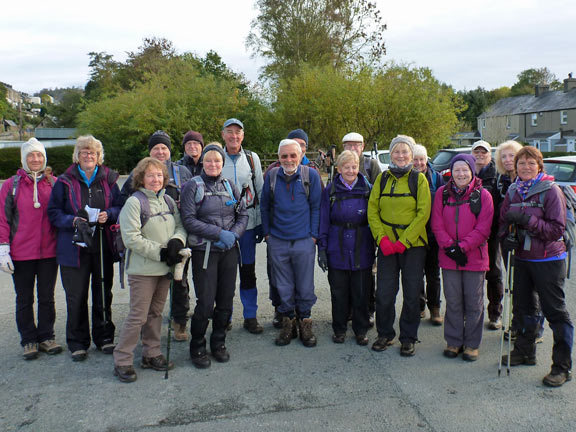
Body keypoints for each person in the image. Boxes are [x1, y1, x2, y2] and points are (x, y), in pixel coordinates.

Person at [499, 146, 573, 387]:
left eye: (531, 163)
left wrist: (527, 220)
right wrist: (506, 237)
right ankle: (525, 351)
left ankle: (562, 367)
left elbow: (556, 230)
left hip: (548, 260)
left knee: (555, 313)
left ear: (540, 166)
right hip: (522, 258)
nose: (526, 167)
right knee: (523, 309)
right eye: (522, 163)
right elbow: (503, 220)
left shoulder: (551, 191)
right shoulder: (513, 191)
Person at [113, 157, 188, 382]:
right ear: (141, 179)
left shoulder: (168, 201)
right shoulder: (134, 203)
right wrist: (161, 252)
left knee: (156, 313)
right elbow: (131, 239)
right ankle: (123, 359)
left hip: (164, 267)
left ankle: (151, 352)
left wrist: (177, 242)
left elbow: (180, 226)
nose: (155, 179)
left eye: (158, 175)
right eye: (150, 175)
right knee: (138, 315)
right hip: (143, 270)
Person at [48, 135, 122, 361]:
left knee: (102, 292)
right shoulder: (64, 181)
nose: (88, 156)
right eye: (84, 152)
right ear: (77, 156)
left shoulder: (109, 179)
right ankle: (78, 341)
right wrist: (72, 220)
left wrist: (108, 214)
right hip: (74, 246)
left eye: (92, 152)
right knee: (76, 295)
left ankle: (104, 336)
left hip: (102, 245)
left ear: (99, 156)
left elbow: (121, 206)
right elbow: (53, 212)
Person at [180, 143, 248, 368]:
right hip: (205, 252)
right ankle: (197, 346)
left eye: (217, 161)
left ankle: (218, 342)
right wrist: (218, 233)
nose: (213, 164)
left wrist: (233, 235)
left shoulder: (229, 185)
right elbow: (188, 220)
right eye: (208, 160)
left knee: (226, 302)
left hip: (228, 250)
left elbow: (243, 214)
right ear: (203, 163)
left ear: (222, 163)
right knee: (206, 303)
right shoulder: (193, 186)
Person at [121, 131, 193, 342]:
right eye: (156, 148)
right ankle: (127, 354)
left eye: (164, 148)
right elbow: (125, 212)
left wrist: (178, 240)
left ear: (170, 151)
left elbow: (186, 212)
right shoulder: (137, 184)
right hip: (148, 254)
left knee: (179, 285)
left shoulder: (183, 173)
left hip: (175, 244)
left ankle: (178, 323)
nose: (160, 151)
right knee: (143, 309)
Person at [367, 135, 431, 356]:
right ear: (390, 154)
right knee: (384, 293)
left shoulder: (419, 180)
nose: (401, 155)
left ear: (412, 155)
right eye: (396, 151)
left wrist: (404, 242)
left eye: (405, 152)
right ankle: (384, 334)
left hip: (412, 247)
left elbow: (423, 213)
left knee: (412, 294)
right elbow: (372, 211)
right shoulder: (382, 179)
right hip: (386, 246)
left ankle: (408, 337)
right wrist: (382, 239)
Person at [0, 138, 61, 360]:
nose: (35, 159)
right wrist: (3, 247)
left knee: (47, 297)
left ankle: (46, 336)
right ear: (24, 159)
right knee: (24, 298)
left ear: (44, 158)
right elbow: (3, 218)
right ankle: (28, 340)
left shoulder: (54, 183)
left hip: (49, 252)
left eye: (39, 156)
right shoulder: (11, 185)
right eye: (31, 156)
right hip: (21, 253)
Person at [432, 154, 494, 361]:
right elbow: (437, 224)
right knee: (453, 301)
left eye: (465, 169)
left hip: (474, 258)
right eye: (456, 170)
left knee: (474, 302)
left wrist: (463, 247)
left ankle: (471, 344)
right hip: (449, 257)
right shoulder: (442, 193)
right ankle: (453, 341)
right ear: (451, 172)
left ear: (472, 171)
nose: (461, 174)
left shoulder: (483, 195)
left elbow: (484, 228)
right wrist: (450, 247)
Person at [261, 139, 322, 347]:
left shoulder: (310, 175)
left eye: (292, 155)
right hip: (278, 240)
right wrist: (268, 235)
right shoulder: (271, 177)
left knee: (305, 286)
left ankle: (305, 323)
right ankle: (289, 323)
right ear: (279, 158)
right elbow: (264, 207)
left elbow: (316, 207)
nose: (288, 160)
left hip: (304, 240)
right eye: (284, 156)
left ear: (300, 155)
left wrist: (313, 236)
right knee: (283, 285)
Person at [318, 150, 375, 345]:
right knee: (339, 292)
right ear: (339, 169)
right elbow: (323, 221)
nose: (351, 171)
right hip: (337, 247)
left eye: (354, 167)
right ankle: (339, 329)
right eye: (346, 167)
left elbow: (375, 218)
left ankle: (361, 329)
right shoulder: (331, 191)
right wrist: (322, 249)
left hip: (362, 247)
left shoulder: (368, 189)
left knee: (361, 292)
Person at [220, 118, 265, 334]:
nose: (234, 136)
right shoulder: (215, 157)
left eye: (238, 132)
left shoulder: (252, 158)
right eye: (229, 132)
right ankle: (224, 316)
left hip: (248, 225)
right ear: (223, 135)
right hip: (224, 226)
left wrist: (261, 224)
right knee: (226, 274)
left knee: (248, 272)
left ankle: (250, 316)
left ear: (243, 136)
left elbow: (261, 191)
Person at [471, 140, 503, 330]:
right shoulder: (465, 172)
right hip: (470, 234)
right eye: (477, 152)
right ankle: (473, 313)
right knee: (472, 276)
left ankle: (494, 313)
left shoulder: (496, 176)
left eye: (484, 152)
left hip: (491, 234)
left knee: (494, 273)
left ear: (490, 155)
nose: (480, 155)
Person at [413, 144, 445, 325]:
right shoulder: (408, 179)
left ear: (427, 160)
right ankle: (419, 306)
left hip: (433, 235)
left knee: (433, 274)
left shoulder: (437, 178)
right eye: (415, 159)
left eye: (421, 159)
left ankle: (435, 308)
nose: (418, 163)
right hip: (415, 235)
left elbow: (442, 205)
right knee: (416, 274)